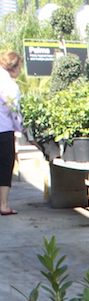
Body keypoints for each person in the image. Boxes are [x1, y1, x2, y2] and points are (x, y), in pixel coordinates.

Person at [0, 50, 24, 216]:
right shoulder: (10, 85)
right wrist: (21, 128)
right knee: (5, 166)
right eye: (20, 67)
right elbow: (13, 111)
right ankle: (4, 205)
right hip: (4, 131)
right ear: (13, 67)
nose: (21, 71)